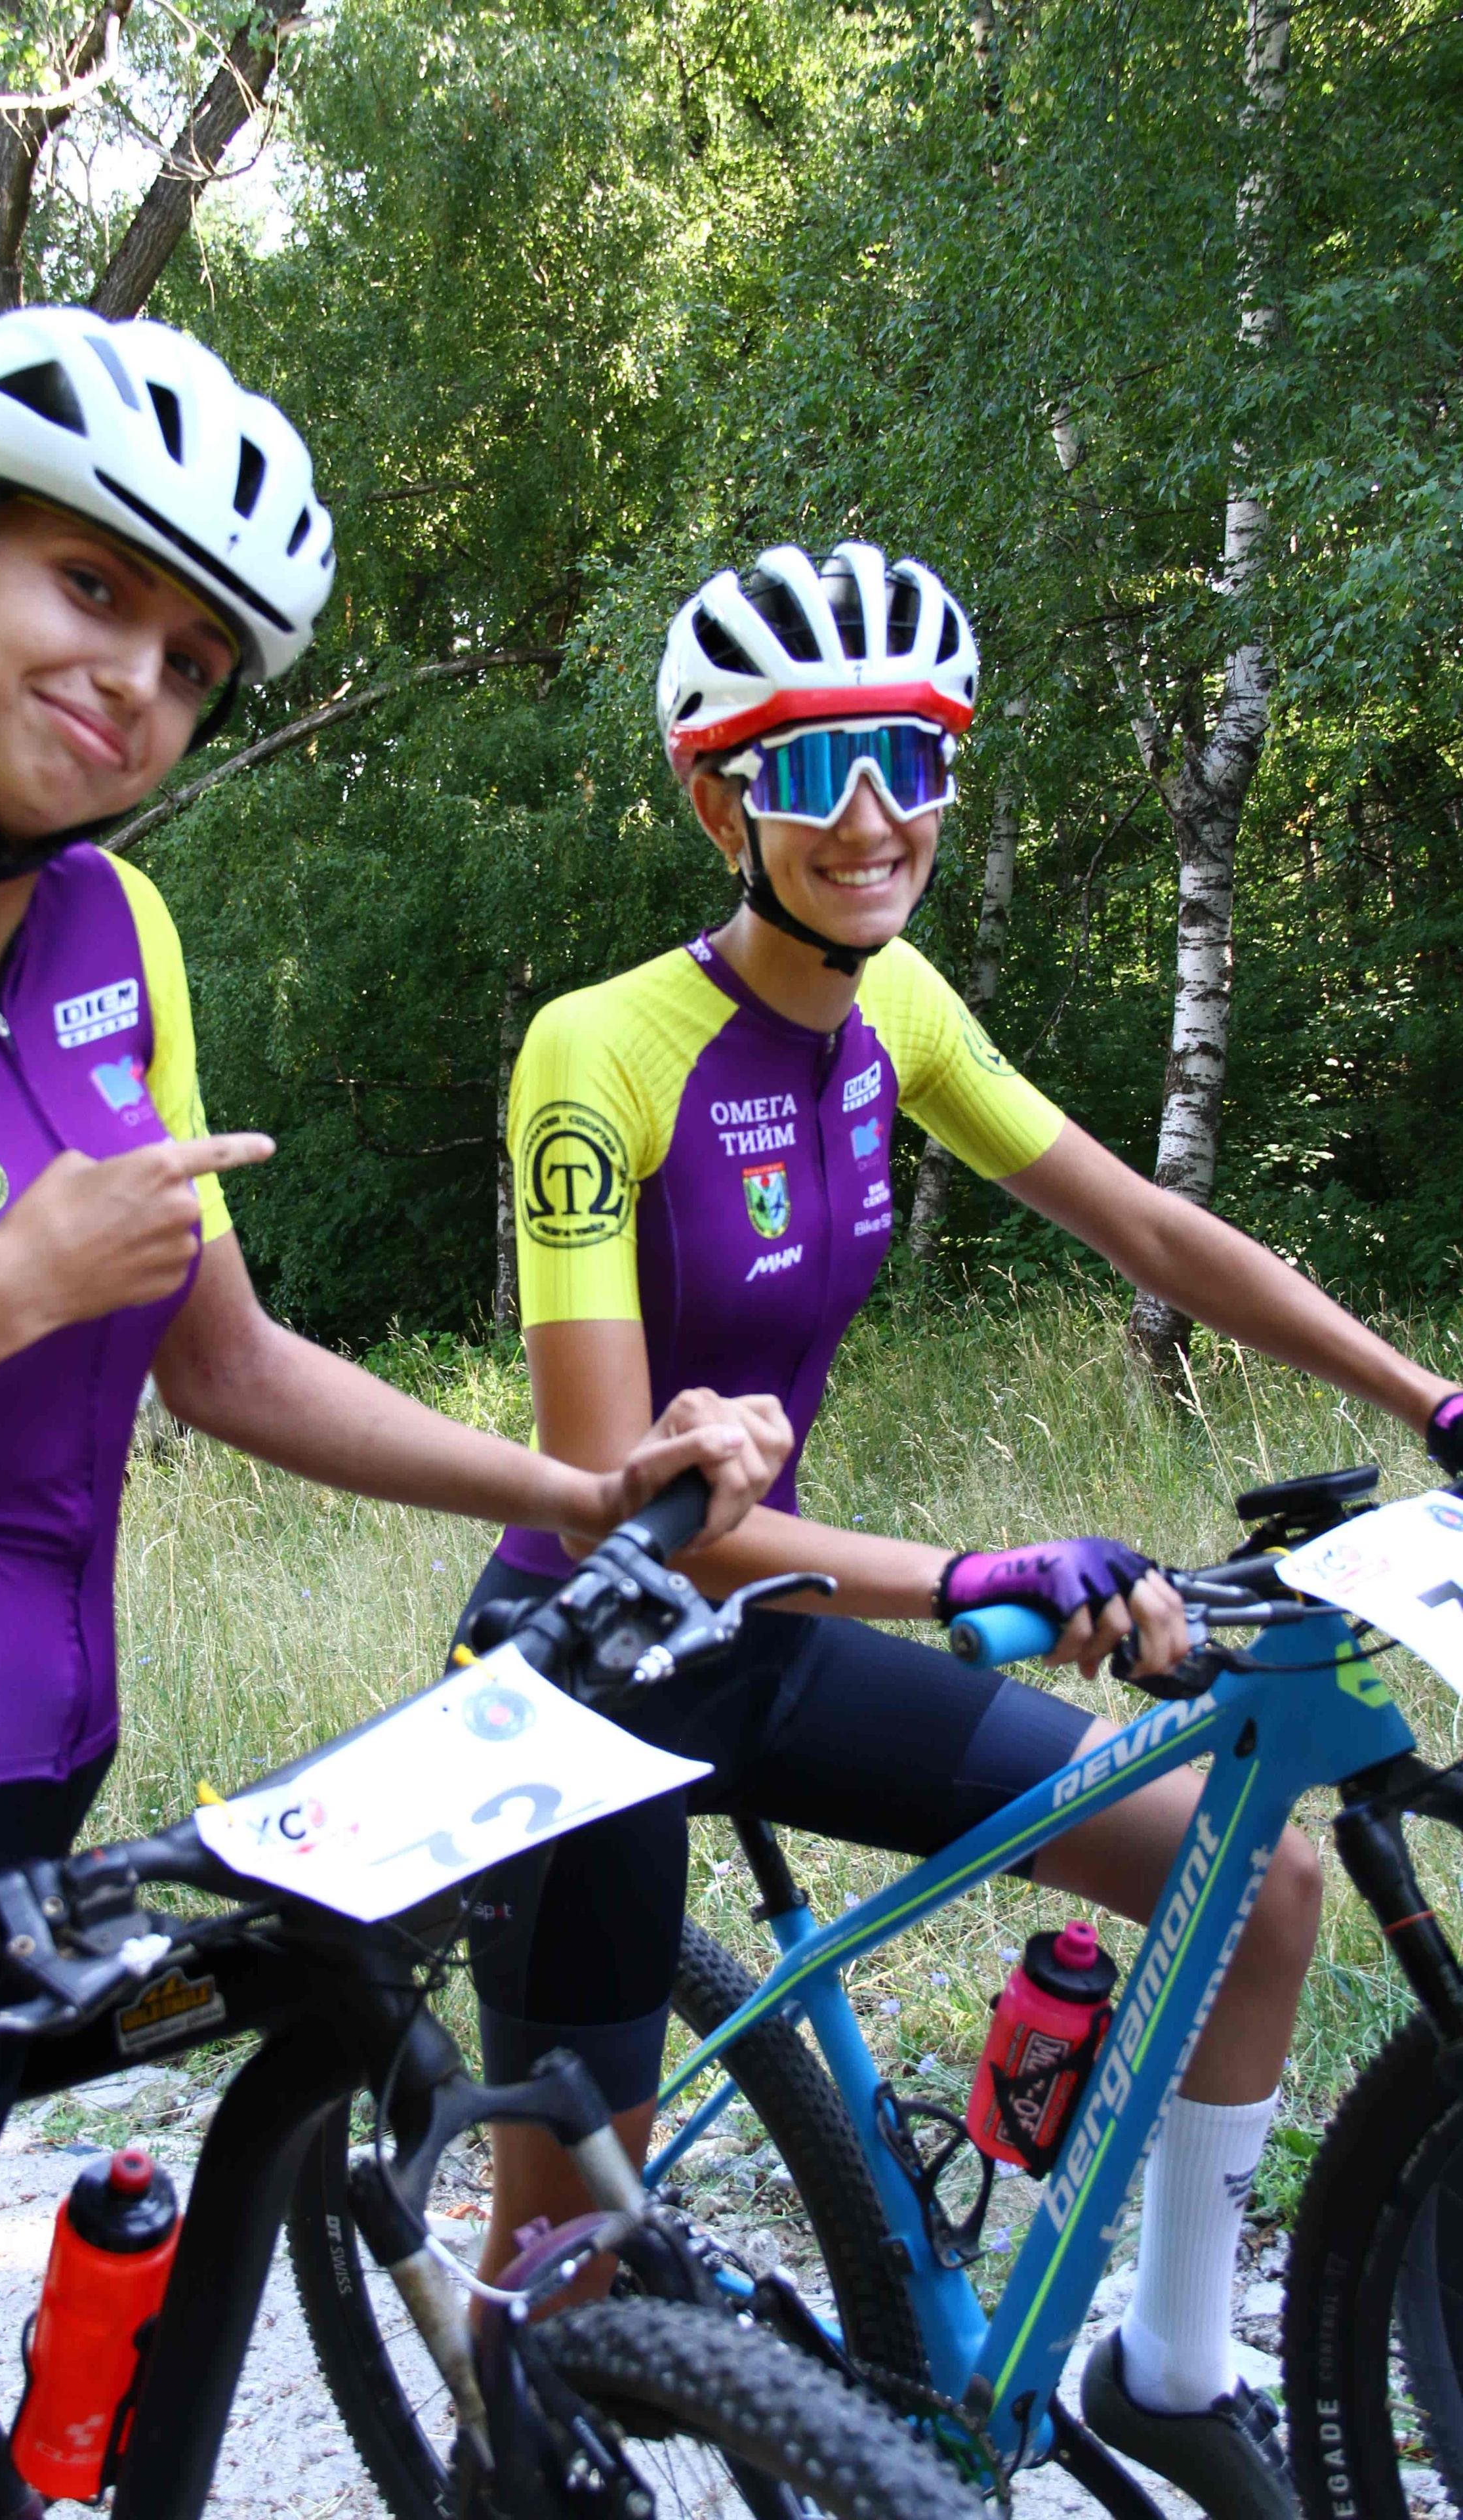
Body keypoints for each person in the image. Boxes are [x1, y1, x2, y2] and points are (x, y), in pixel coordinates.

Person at [0, 306, 790, 2520]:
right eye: (95, 589)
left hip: (33, 1776)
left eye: (194, 659)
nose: (136, 680)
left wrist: (573, 1482)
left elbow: (223, 1361)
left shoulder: (114, 933)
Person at [457, 539, 1463, 2519]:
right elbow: (614, 1497)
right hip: (580, 1673)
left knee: (1250, 1888)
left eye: (909, 755)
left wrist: (1427, 1393)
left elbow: (1152, 1227)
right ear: (715, 796)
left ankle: (1169, 2378)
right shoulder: (602, 1050)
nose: (868, 813)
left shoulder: (894, 1008)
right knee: (560, 2302)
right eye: (812, 759)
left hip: (768, 1638)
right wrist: (977, 1577)